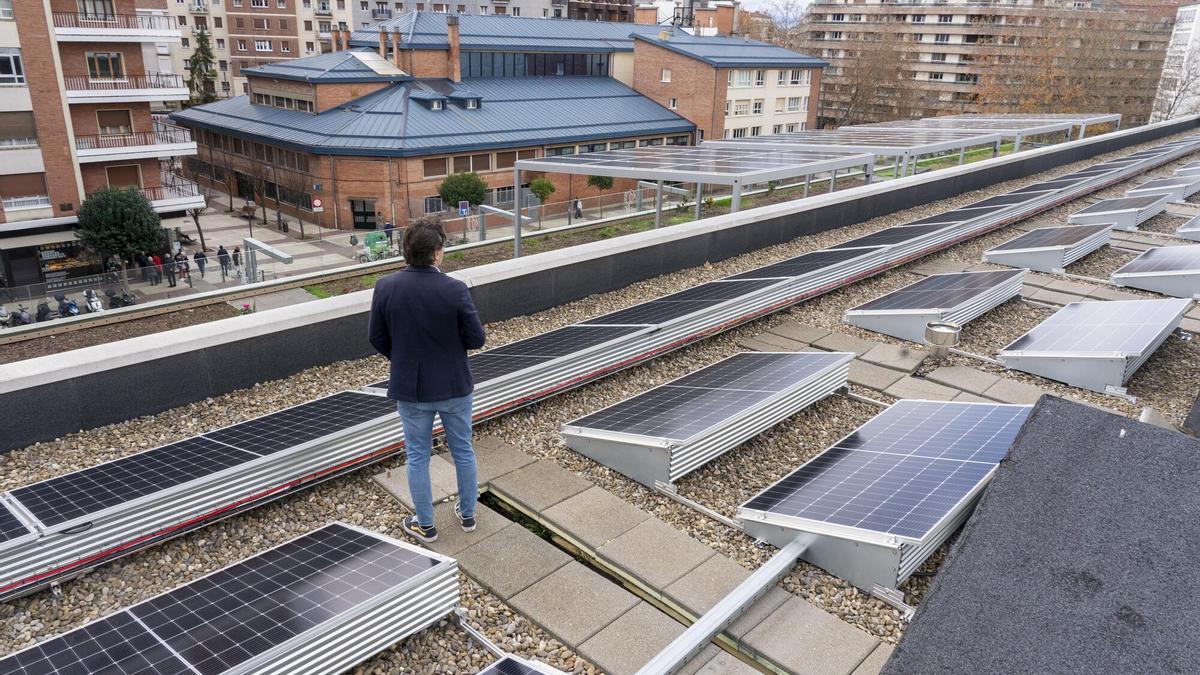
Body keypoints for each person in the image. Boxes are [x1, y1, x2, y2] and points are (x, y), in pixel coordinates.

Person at [368, 218, 486, 544]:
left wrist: (403, 360)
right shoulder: (455, 289)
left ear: (407, 251)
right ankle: (468, 515)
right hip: (453, 386)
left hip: (411, 389)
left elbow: (376, 337)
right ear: (436, 253)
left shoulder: (386, 287)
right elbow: (476, 340)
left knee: (417, 455)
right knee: (462, 450)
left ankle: (426, 525)